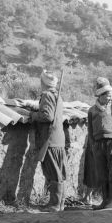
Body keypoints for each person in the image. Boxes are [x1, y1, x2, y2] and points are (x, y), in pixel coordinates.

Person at [85, 77, 112, 211]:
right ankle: (105, 201)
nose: (109, 98)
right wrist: (92, 145)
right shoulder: (92, 111)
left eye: (110, 95)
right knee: (102, 173)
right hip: (98, 145)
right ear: (100, 95)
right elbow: (90, 130)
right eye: (107, 95)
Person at [29, 70, 67, 212]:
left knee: (53, 172)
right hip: (58, 139)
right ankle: (60, 203)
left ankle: (55, 204)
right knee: (59, 172)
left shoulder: (46, 95)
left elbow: (47, 116)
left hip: (50, 140)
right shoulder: (57, 97)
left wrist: (33, 115)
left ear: (43, 83)